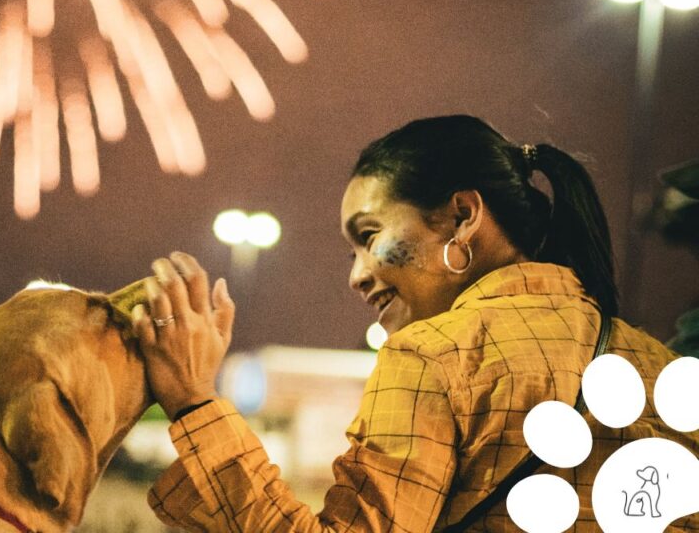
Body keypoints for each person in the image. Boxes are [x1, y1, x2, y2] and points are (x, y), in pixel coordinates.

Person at [130, 115, 699, 532]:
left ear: (462, 216)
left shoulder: (435, 357)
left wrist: (193, 402)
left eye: (370, 235)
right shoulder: (658, 363)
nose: (357, 274)